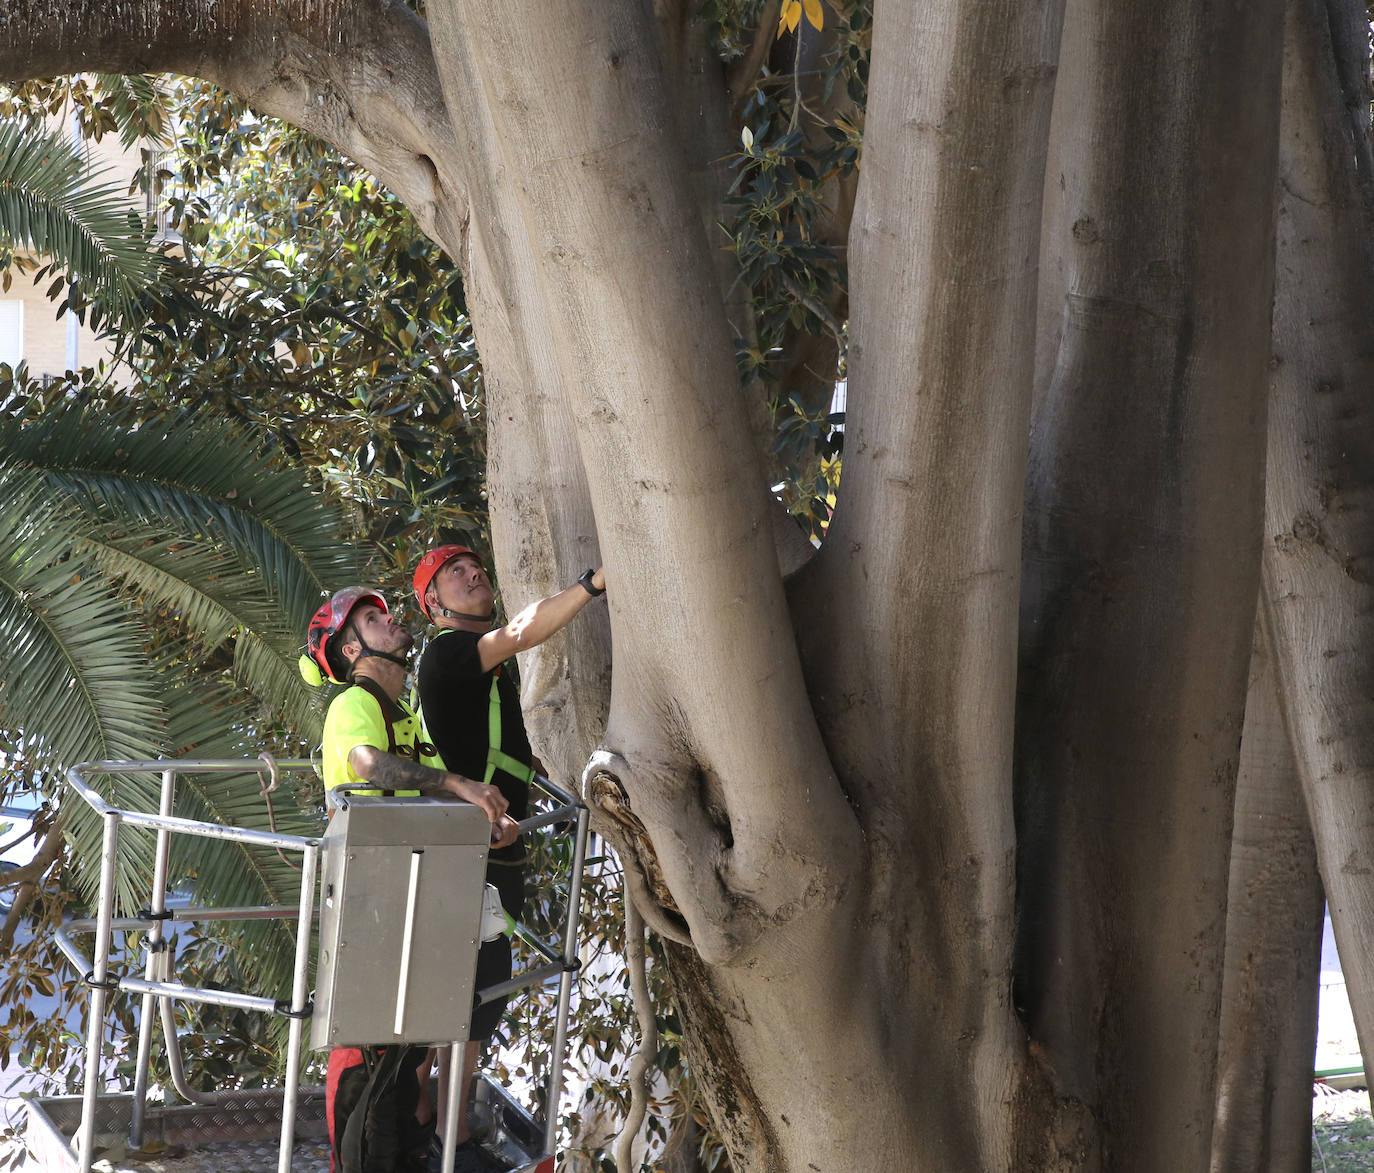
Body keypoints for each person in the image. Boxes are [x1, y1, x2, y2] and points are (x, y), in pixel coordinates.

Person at [300, 586, 518, 1173]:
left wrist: (488, 821)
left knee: (413, 1040)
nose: (390, 621)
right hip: (373, 897)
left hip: (413, 891)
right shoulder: (353, 704)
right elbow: (367, 765)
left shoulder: (408, 715)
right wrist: (460, 786)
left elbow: (429, 790)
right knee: (373, 1049)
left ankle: (420, 1153)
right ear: (350, 651)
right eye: (373, 620)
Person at [411, 546, 606, 1171]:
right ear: (434, 603)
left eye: (475, 568)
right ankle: (446, 1137)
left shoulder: (485, 672)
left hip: (497, 853)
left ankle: (429, 1120)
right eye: (455, 575)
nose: (475, 576)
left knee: (482, 992)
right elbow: (523, 630)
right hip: (471, 856)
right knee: (471, 993)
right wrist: (594, 584)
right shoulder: (448, 653)